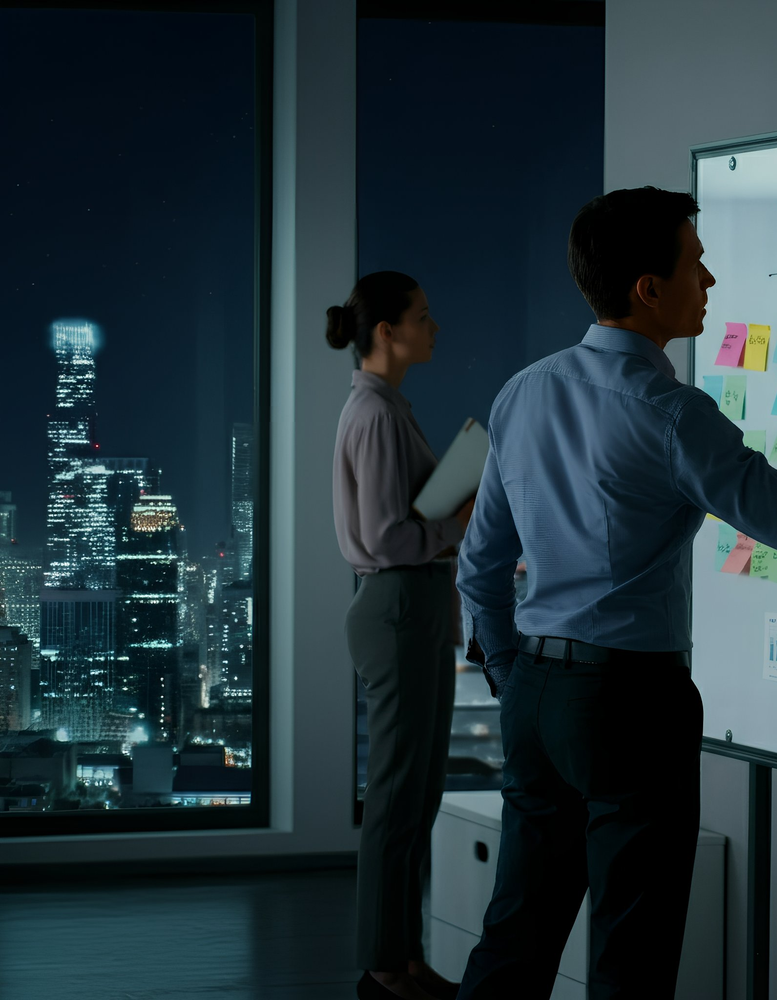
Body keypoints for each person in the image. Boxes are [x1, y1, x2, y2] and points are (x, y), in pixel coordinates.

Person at [454, 187, 777, 998]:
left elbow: (478, 567)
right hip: (627, 703)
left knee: (514, 943)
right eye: (694, 261)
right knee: (632, 958)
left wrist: (515, 679)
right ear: (649, 289)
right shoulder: (670, 413)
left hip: (537, 693)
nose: (711, 278)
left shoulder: (523, 391)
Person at [329, 271, 476, 1000]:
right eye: (421, 316)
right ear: (385, 332)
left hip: (407, 607)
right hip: (398, 608)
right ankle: (386, 966)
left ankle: (403, 958)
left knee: (415, 795)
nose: (433, 326)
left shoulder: (385, 408)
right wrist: (460, 523)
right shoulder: (378, 415)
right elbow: (389, 536)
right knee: (397, 799)